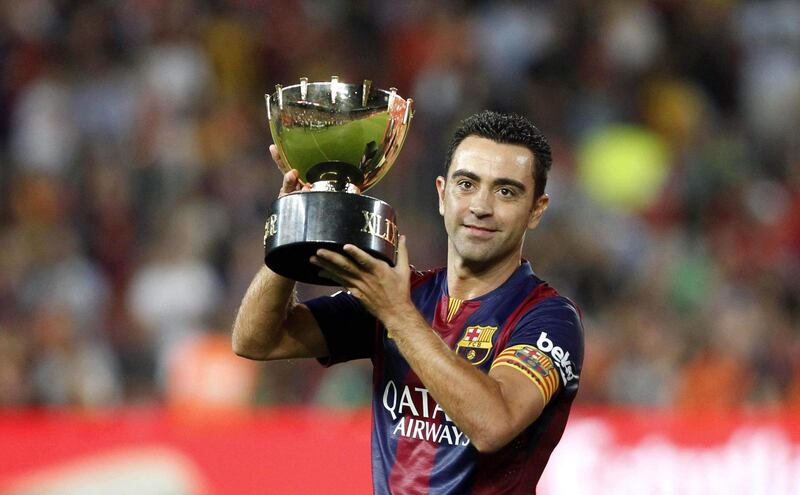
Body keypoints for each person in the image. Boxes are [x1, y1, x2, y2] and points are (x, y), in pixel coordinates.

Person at [232, 111, 584, 493]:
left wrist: (397, 314)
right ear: (441, 194)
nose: (481, 206)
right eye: (466, 184)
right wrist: (292, 233)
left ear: (536, 210)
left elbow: (493, 425)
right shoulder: (402, 293)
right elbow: (256, 340)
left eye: (506, 191)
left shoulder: (548, 317)